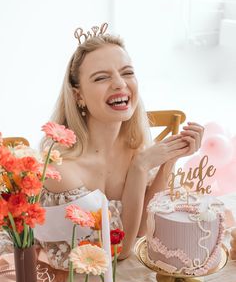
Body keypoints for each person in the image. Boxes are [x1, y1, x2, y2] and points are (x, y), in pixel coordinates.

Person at [38, 22, 204, 269]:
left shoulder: (135, 146)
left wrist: (169, 160)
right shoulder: (62, 169)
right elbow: (119, 251)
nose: (119, 83)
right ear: (78, 95)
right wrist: (140, 167)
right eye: (102, 77)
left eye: (127, 73)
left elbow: (143, 228)